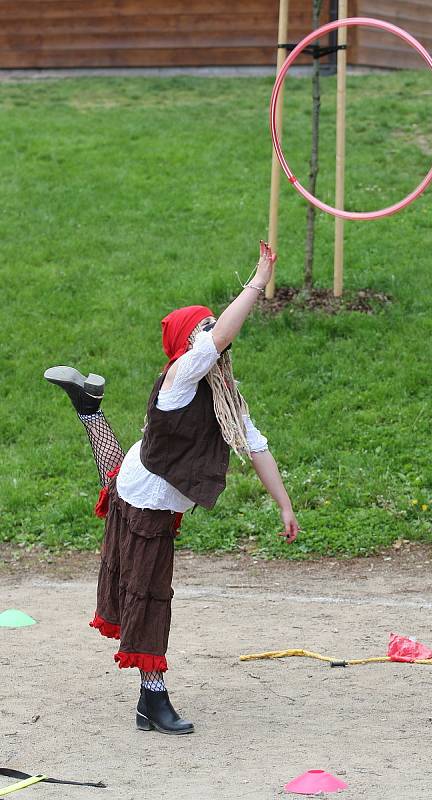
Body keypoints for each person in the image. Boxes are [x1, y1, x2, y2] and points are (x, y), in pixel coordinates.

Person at [44, 241, 299, 735]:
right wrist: (258, 278)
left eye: (211, 325)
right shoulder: (181, 376)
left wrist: (284, 504)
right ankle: (151, 701)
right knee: (148, 597)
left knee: (118, 481)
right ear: (188, 345)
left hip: (145, 483)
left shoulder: (223, 395)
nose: (214, 336)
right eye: (202, 330)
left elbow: (257, 446)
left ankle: (90, 409)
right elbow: (222, 334)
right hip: (147, 504)